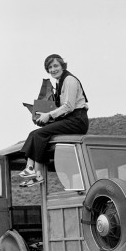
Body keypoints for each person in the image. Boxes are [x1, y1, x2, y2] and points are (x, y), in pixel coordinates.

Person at [19, 54, 89, 187]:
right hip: (69, 118)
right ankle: (33, 171)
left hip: (77, 120)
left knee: (39, 134)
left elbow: (69, 106)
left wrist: (49, 115)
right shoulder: (60, 82)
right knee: (36, 134)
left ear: (62, 65)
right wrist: (44, 115)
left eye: (55, 65)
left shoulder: (69, 80)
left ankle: (33, 172)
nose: (53, 69)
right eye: (49, 67)